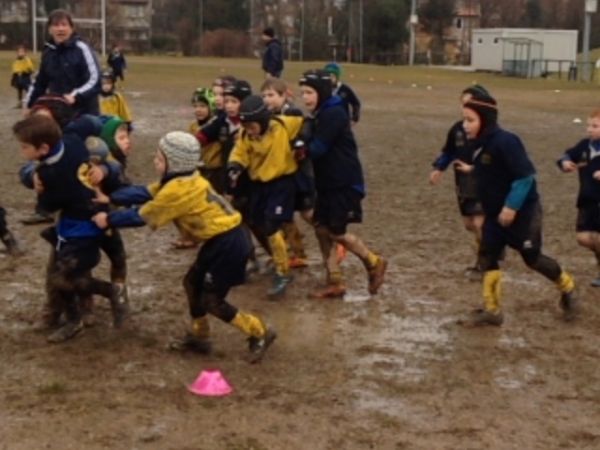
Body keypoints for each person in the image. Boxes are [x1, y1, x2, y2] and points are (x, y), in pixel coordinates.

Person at [92, 131, 276, 362]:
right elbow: (146, 192)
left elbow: (143, 215)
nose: (154, 160)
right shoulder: (186, 178)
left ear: (174, 163)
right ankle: (200, 337)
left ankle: (259, 331)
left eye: (159, 158)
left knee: (211, 300)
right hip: (220, 239)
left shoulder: (179, 190)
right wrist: (111, 198)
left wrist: (108, 220)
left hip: (229, 244)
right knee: (191, 284)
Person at [459, 90, 578, 326]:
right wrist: (472, 172)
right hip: (494, 215)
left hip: (524, 213)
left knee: (532, 259)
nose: (465, 125)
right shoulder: (478, 145)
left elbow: (525, 177)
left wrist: (511, 207)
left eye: (470, 120)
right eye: (464, 119)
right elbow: (491, 171)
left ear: (486, 120)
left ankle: (568, 288)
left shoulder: (507, 141)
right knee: (488, 255)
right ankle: (493, 311)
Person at [13, 115, 128, 342]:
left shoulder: (49, 175)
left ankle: (90, 307)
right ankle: (84, 309)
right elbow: (96, 121)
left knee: (62, 278)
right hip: (102, 215)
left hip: (81, 228)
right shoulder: (73, 136)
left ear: (44, 147)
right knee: (97, 264)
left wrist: (39, 183)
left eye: (24, 147)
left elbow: (47, 207)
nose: (21, 151)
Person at [298, 69, 387, 298]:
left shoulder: (334, 113)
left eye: (309, 92)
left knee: (337, 233)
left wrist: (300, 144)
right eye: (303, 93)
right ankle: (334, 281)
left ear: (322, 92)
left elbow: (317, 149)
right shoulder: (319, 114)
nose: (305, 97)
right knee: (320, 228)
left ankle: (374, 261)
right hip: (327, 184)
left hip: (344, 183)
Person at [228, 95, 303, 298]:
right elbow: (239, 153)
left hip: (282, 183)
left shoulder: (282, 125)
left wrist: (301, 141)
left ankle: (283, 272)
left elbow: (304, 122)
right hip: (259, 184)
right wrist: (235, 166)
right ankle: (284, 256)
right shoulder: (246, 135)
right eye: (246, 126)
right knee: (259, 222)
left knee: (272, 225)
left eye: (252, 126)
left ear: (262, 121)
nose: (250, 130)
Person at [429, 85, 489, 280]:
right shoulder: (456, 129)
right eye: (462, 102)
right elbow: (448, 151)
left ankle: (484, 264)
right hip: (463, 183)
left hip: (482, 182)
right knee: (469, 224)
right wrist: (439, 168)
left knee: (479, 223)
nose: (464, 106)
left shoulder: (488, 131)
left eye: (469, 102)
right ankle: (491, 245)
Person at [261, 77, 312, 268]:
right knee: (285, 216)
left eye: (272, 95)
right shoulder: (268, 114)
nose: (267, 99)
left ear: (284, 96)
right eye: (264, 95)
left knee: (308, 213)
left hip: (298, 172)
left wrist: (299, 144)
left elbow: (304, 131)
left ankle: (335, 239)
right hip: (282, 174)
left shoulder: (292, 113)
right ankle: (298, 253)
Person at [26, 9, 101, 116]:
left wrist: (75, 96)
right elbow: (40, 82)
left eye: (64, 25)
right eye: (56, 25)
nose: (60, 28)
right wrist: (29, 105)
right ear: (49, 29)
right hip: (58, 110)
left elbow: (95, 79)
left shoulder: (82, 49)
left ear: (71, 28)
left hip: (84, 112)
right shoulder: (48, 52)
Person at [557, 109, 600, 287]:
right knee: (583, 238)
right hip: (586, 200)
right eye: (588, 125)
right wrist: (565, 162)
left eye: (595, 126)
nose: (589, 129)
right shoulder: (584, 146)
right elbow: (566, 155)